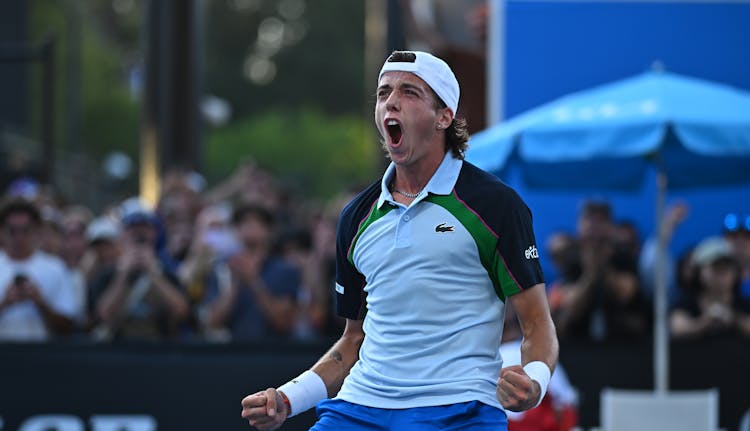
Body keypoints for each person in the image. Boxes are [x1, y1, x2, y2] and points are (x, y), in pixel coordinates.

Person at [241, 50, 558, 430]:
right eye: (383, 92)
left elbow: (537, 325)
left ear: (444, 117)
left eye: (409, 92)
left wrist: (534, 383)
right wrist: (287, 399)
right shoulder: (355, 216)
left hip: (459, 410)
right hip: (358, 406)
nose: (391, 101)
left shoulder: (496, 205)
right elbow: (352, 342)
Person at [0, 198, 80, 341]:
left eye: (25, 230)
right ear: (2, 230)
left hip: (42, 352)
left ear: (36, 230)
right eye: (12, 231)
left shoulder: (55, 268)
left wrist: (40, 302)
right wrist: (5, 303)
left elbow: (68, 326)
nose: (19, 237)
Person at [669, 236, 750, 339]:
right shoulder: (686, 304)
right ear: (699, 272)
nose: (722, 273)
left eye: (727, 267)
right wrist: (704, 322)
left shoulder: (745, 305)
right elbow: (677, 328)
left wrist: (733, 319)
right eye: (715, 267)